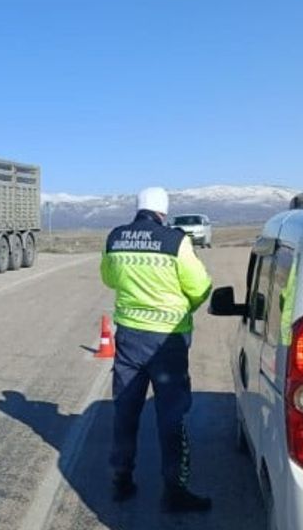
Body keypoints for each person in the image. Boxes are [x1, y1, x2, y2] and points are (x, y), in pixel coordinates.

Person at [99, 187, 214, 513]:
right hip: (167, 342)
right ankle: (175, 490)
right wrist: (184, 308)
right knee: (171, 415)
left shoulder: (115, 238)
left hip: (129, 339)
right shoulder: (175, 241)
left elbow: (108, 279)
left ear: (138, 209)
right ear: (163, 211)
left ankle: (121, 480)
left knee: (125, 410)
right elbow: (200, 287)